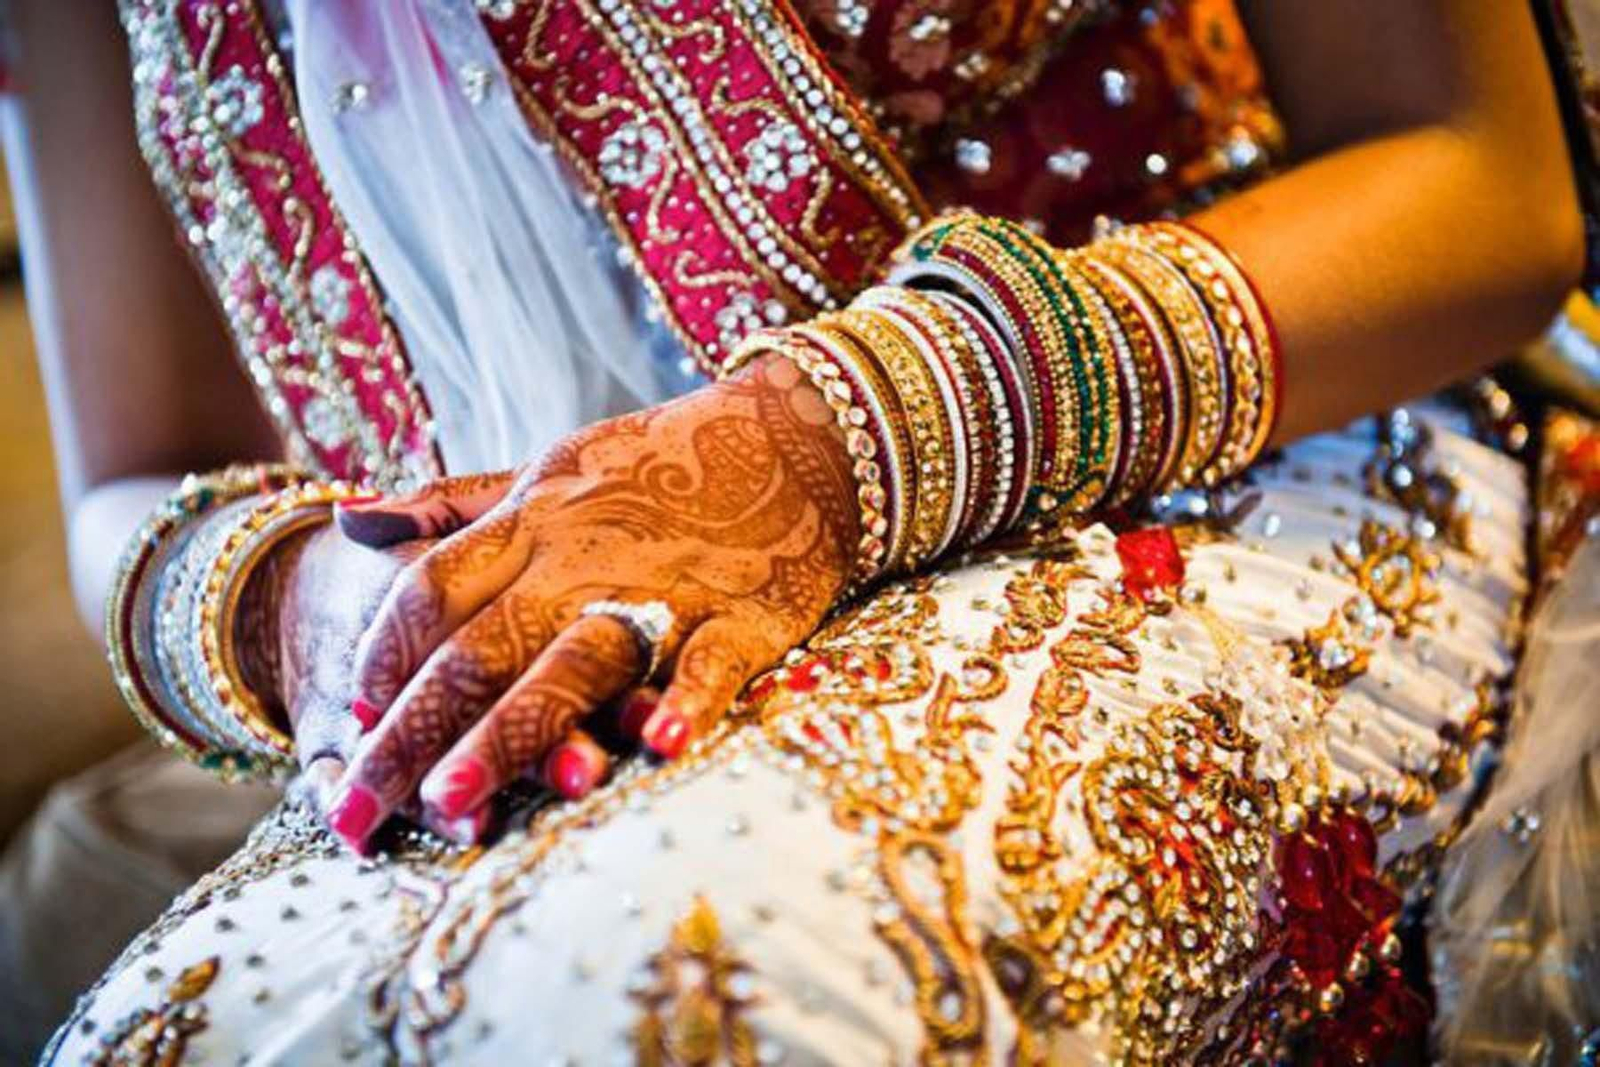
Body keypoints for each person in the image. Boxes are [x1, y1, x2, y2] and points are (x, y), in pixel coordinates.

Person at [6, 0, 1597, 1061]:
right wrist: (294, 605)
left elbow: (1481, 179)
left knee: (695, 971)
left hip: (1210, 444)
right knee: (189, 1031)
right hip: (541, 618)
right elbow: (134, 474)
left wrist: (819, 448)